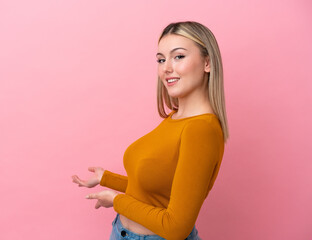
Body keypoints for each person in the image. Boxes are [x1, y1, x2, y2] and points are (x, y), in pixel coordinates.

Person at [72, 21, 229, 240]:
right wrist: (105, 178)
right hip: (121, 232)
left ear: (207, 63)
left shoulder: (201, 129)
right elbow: (154, 191)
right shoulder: (176, 118)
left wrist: (117, 201)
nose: (166, 68)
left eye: (179, 56)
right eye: (161, 60)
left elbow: (176, 228)